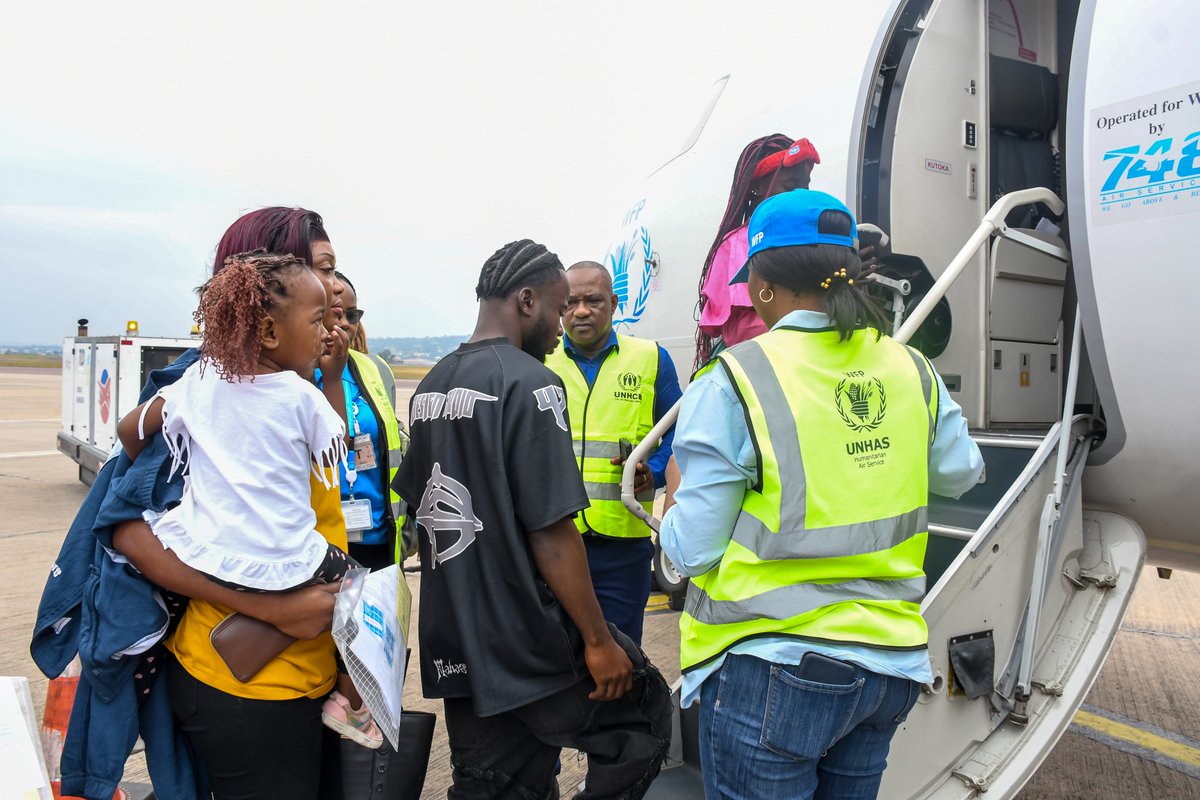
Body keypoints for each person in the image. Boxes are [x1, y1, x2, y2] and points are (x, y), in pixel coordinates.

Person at [660, 190, 984, 800]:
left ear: (760, 288)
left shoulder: (736, 377)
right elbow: (961, 472)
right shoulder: (911, 368)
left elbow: (695, 552)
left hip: (773, 667)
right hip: (887, 665)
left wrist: (673, 498)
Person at [85, 207, 351, 798]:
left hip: (301, 673)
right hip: (241, 679)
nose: (334, 291)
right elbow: (126, 530)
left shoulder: (292, 383)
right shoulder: (208, 382)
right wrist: (273, 611)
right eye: (320, 270)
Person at [392, 239, 671, 799]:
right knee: (643, 721)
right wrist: (596, 640)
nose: (563, 322)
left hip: (458, 636)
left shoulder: (431, 386)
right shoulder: (531, 382)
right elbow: (550, 531)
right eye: (559, 305)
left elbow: (423, 513)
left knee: (493, 781)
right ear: (526, 301)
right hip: (526, 632)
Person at [118, 250, 383, 750]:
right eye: (317, 320)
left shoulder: (195, 382)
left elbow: (130, 432)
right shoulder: (299, 394)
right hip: (286, 557)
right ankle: (350, 702)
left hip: (206, 549)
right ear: (267, 333)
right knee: (355, 585)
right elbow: (336, 450)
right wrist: (328, 381)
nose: (329, 332)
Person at [544, 260, 682, 645]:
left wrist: (653, 471)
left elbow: (680, 433)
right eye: (571, 302)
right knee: (557, 656)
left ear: (614, 303)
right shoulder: (540, 359)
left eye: (594, 300)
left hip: (621, 543)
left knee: (623, 656)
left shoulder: (651, 359)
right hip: (554, 537)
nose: (582, 310)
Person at [695, 135, 821, 368]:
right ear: (757, 187)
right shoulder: (736, 244)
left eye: (805, 186)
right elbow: (738, 331)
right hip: (761, 368)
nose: (800, 195)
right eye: (791, 187)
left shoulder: (815, 235)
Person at [318, 271, 409, 571]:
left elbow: (393, 447)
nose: (345, 323)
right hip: (323, 540)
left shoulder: (377, 370)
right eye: (337, 314)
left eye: (353, 314)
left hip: (380, 537)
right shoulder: (300, 373)